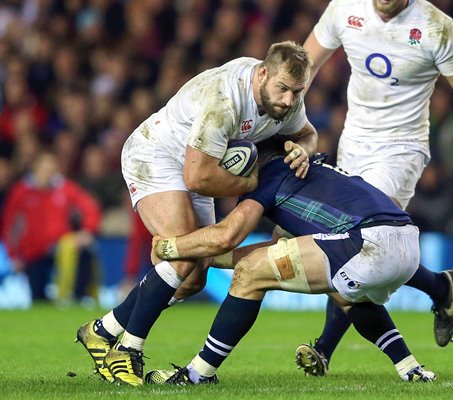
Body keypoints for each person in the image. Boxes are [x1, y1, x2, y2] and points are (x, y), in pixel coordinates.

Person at [75, 41, 318, 386]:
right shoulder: (224, 101)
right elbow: (197, 178)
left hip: (203, 162)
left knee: (194, 277)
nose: (289, 101)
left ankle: (103, 330)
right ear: (262, 73)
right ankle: (126, 350)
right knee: (183, 253)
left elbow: (308, 134)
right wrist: (254, 183)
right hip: (156, 155)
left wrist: (302, 151)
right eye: (283, 89)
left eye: (297, 92)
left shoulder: (285, 98)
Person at [141, 141, 453, 384]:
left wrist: (173, 247)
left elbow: (227, 236)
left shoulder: (267, 178)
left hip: (368, 242)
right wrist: (204, 257)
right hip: (405, 241)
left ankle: (198, 374)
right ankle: (411, 369)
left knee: (249, 275)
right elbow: (281, 246)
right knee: (343, 293)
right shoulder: (302, 172)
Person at [298, 0, 453, 374]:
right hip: (353, 143)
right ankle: (439, 286)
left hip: (402, 150)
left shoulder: (438, 29)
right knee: (359, 250)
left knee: (360, 239)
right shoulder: (344, 9)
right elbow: (304, 66)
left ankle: (324, 349)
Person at [2, 152, 102, 302]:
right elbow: (10, 227)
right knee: (38, 298)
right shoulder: (21, 192)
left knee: (84, 254)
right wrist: (13, 256)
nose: (47, 174)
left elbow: (90, 208)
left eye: (51, 170)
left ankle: (78, 298)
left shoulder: (65, 189)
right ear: (35, 170)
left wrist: (87, 231)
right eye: (44, 170)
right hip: (33, 254)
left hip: (60, 248)